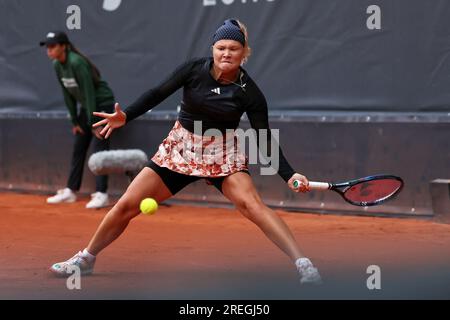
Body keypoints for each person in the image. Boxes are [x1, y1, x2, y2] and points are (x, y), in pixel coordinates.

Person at [49, 20, 322, 284]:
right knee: (126, 205)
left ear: (244, 53)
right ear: (213, 49)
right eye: (221, 47)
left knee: (253, 206)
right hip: (180, 150)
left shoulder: (250, 92)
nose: (226, 53)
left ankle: (304, 264)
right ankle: (86, 259)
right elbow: (157, 93)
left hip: (221, 155)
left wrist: (288, 175)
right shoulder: (194, 70)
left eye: (234, 48)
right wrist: (127, 116)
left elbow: (263, 138)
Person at [40, 31, 115, 209]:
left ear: (64, 46)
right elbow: (68, 94)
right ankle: (71, 191)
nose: (49, 51)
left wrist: (91, 122)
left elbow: (89, 93)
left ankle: (102, 194)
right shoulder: (57, 65)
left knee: (99, 151)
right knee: (79, 148)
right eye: (47, 47)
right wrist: (75, 121)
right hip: (88, 108)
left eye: (52, 46)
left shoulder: (77, 62)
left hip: (102, 104)